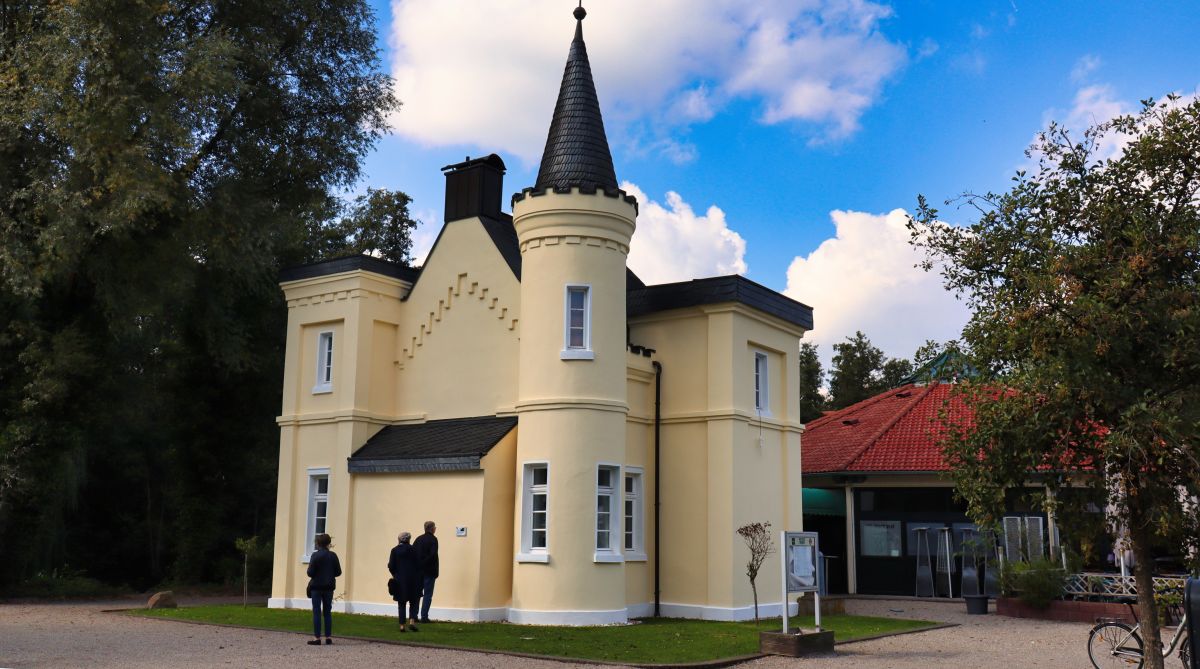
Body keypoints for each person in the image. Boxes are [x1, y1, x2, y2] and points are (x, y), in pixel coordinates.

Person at [306, 533, 341, 646]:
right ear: (329, 543)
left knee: (316, 612)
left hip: (316, 587)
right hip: (329, 587)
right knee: (327, 612)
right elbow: (338, 572)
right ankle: (328, 637)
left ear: (318, 543)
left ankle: (317, 638)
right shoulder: (333, 556)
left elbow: (310, 572)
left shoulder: (315, 556)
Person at [388, 532, 421, 631]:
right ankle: (411, 621)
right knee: (414, 601)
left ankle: (402, 625)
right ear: (409, 539)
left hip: (400, 580)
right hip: (413, 579)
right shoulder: (414, 549)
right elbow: (419, 564)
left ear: (399, 539)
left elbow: (391, 566)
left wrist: (395, 575)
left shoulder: (394, 550)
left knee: (401, 603)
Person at [413, 520, 439, 623]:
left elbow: (413, 554)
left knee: (417, 594)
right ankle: (424, 616)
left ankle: (414, 615)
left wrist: (418, 565)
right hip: (429, 571)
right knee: (428, 595)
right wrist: (425, 563)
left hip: (418, 571)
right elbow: (433, 555)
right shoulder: (433, 539)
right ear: (432, 529)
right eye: (435, 527)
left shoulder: (418, 539)